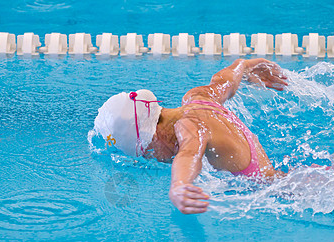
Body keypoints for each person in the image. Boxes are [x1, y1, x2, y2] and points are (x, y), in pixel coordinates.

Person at [94, 58, 288, 214]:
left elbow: (188, 154)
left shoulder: (189, 127)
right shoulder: (196, 97)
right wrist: (245, 66)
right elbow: (225, 81)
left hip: (285, 193)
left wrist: (179, 184)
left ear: (154, 137)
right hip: (286, 180)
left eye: (148, 153)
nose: (156, 159)